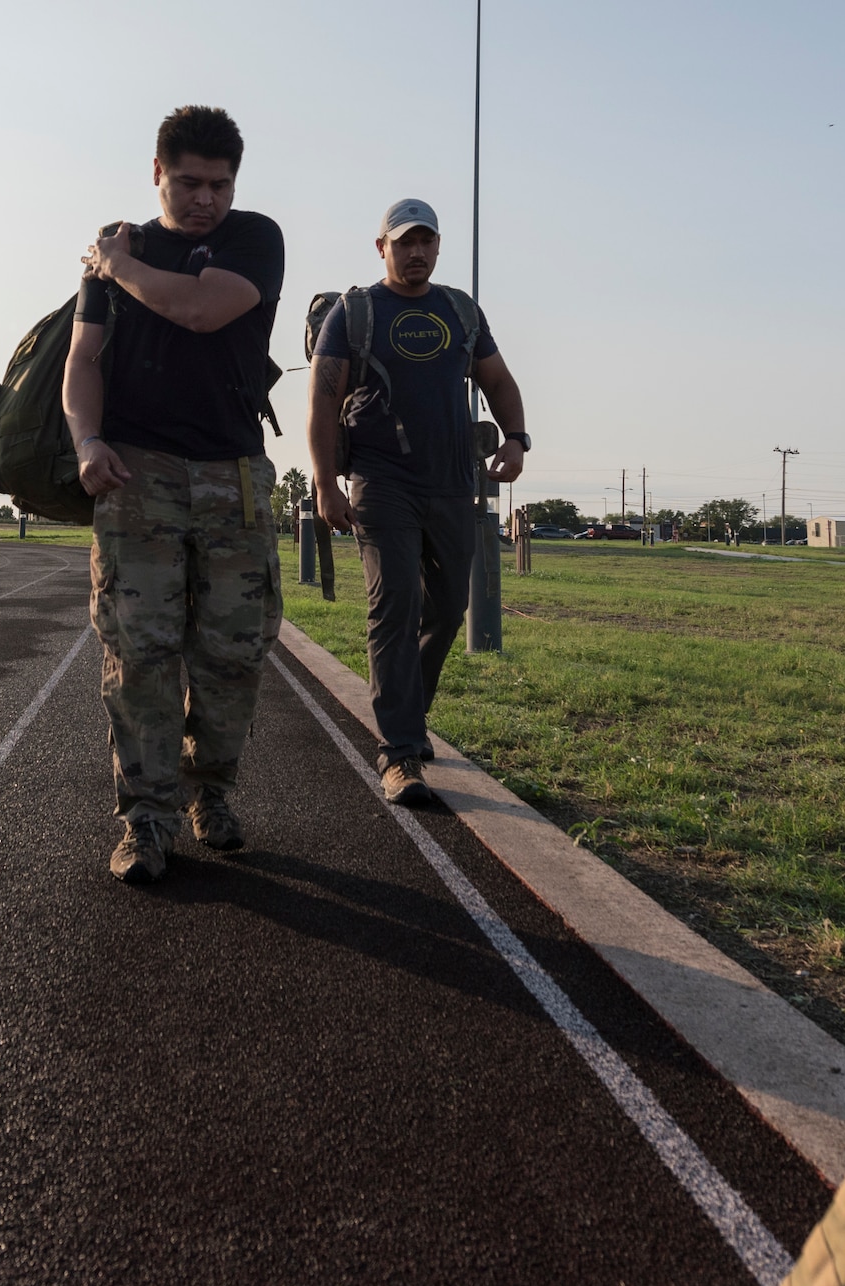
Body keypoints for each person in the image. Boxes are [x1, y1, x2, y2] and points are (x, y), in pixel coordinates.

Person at [64, 105, 285, 884]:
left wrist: (112, 262)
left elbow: (200, 309)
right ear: (158, 171)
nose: (206, 200)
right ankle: (145, 821)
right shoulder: (125, 248)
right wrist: (87, 440)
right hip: (137, 473)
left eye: (220, 184)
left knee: (233, 655)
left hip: (234, 474)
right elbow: (84, 358)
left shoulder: (253, 238)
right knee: (141, 655)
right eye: (189, 182)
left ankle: (211, 792)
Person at [306, 199, 529, 806]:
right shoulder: (354, 313)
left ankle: (407, 713)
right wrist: (326, 483)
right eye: (404, 242)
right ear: (381, 247)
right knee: (394, 606)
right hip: (382, 484)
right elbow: (323, 401)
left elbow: (499, 380)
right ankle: (401, 753)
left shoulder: (460, 310)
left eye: (426, 241)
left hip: (454, 482)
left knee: (449, 605)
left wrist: (516, 439)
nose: (417, 252)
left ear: (438, 246)